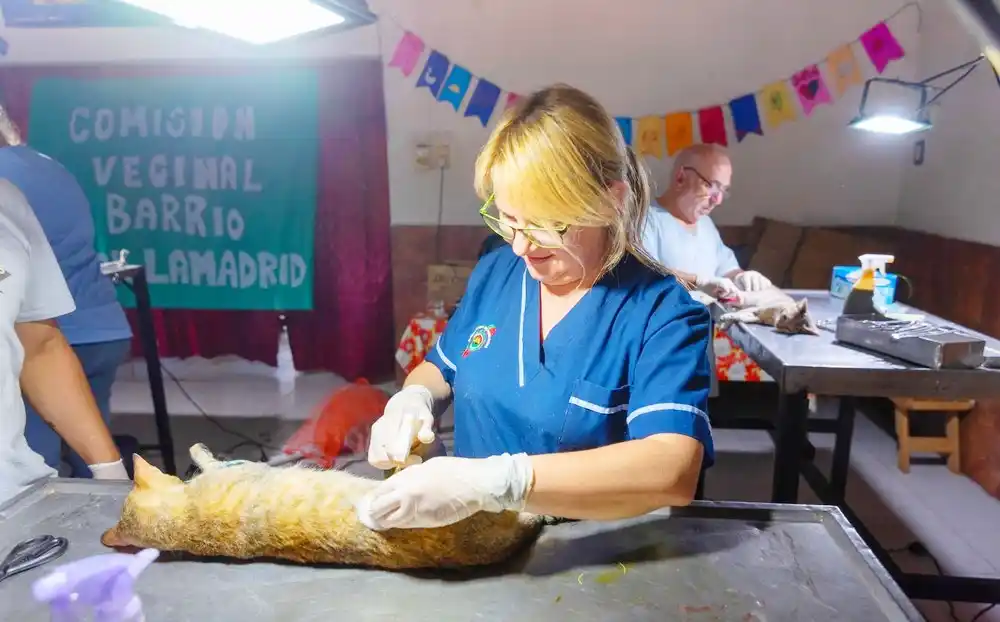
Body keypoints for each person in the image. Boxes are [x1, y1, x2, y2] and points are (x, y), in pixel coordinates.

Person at [356, 84, 714, 531]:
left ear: (610, 201)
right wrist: (413, 400)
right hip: (475, 546)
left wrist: (501, 482)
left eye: (546, 224)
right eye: (507, 218)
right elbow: (440, 368)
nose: (521, 246)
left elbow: (673, 469)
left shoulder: (662, 314)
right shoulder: (497, 274)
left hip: (586, 565)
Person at [0, 107, 134, 480]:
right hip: (102, 327)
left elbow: (40, 343)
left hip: (13, 491)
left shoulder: (8, 197)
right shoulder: (49, 169)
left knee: (47, 459)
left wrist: (113, 478)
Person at [641, 144, 772, 299]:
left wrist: (742, 277)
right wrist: (699, 283)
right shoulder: (645, 222)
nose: (718, 200)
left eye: (723, 190)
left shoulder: (705, 224)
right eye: (711, 186)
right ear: (680, 178)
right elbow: (646, 277)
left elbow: (727, 269)